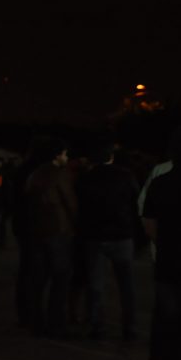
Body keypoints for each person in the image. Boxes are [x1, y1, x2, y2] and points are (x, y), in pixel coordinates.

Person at [141, 124, 181, 360]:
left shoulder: (161, 182)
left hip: (169, 264)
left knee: (170, 327)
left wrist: (169, 244)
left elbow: (149, 223)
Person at [74, 139, 140, 340]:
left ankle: (98, 326)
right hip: (122, 235)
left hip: (94, 236)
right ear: (111, 157)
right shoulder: (126, 176)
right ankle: (130, 326)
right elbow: (137, 204)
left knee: (96, 284)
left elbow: (79, 208)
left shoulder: (85, 178)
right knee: (126, 284)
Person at [23, 137, 77, 338]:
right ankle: (57, 324)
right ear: (58, 155)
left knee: (39, 281)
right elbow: (70, 203)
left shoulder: (35, 175)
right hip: (58, 231)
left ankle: (36, 323)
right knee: (60, 280)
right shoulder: (60, 174)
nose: (67, 158)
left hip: (37, 232)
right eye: (65, 154)